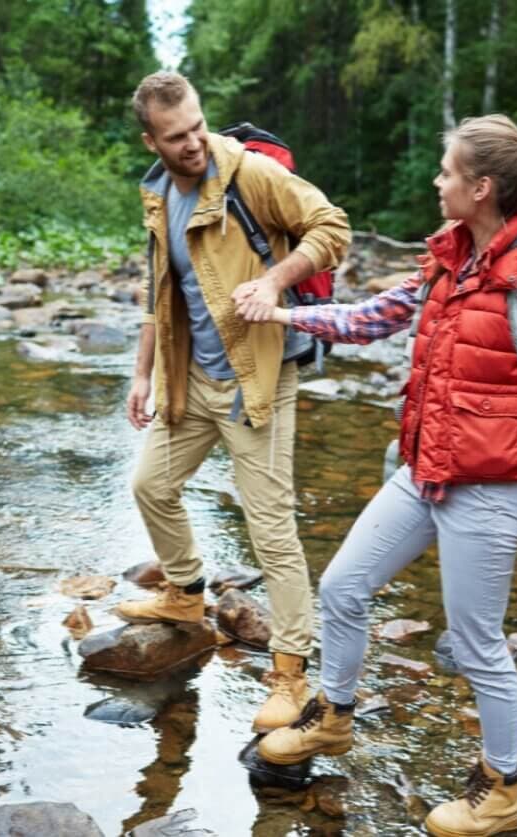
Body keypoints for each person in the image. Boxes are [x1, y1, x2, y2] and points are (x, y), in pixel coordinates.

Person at [242, 114, 517, 837]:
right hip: (423, 472)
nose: (438, 182)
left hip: (488, 488)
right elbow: (375, 317)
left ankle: (503, 790)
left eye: (447, 171)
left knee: (476, 645)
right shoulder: (449, 258)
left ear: (481, 186)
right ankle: (333, 716)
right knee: (342, 588)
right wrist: (284, 315)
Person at [116, 71, 351, 734]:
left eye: (197, 126)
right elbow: (159, 290)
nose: (193, 143)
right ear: (152, 141)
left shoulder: (250, 175)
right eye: (176, 137)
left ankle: (291, 673)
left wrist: (275, 280)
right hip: (192, 378)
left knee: (271, 529)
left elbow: (332, 227)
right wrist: (142, 374)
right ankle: (185, 594)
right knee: (150, 484)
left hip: (257, 379)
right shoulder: (159, 193)